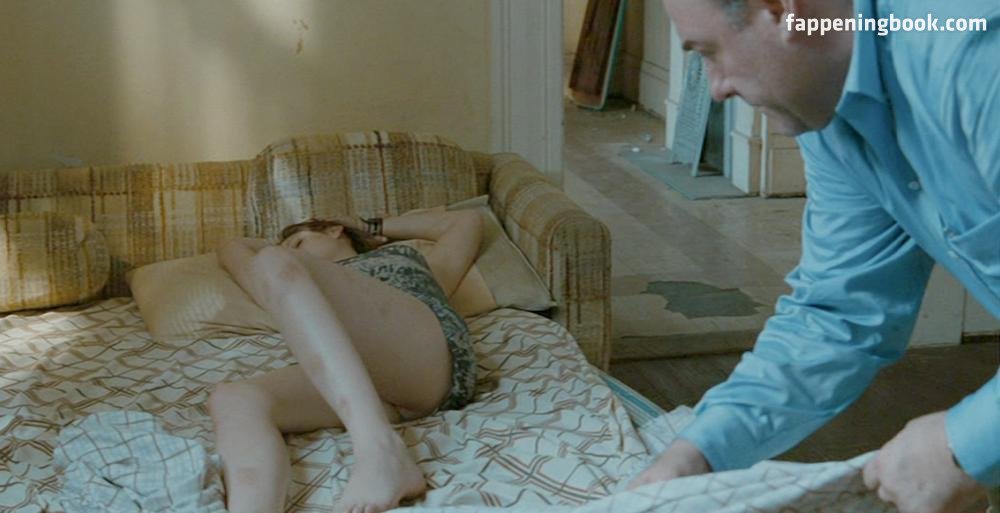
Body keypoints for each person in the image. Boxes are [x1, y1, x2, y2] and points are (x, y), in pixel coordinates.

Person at [630, 0, 998, 512]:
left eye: (711, 53)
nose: (716, 87)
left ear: (780, 9)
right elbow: (839, 314)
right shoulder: (829, 115)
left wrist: (962, 443)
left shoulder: (977, 57)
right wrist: (697, 454)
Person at [206, 208, 482, 513]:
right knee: (234, 397)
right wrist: (279, 253)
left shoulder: (408, 261)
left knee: (273, 261)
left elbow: (466, 219)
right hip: (362, 386)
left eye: (299, 242)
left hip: (425, 362)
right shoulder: (283, 276)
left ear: (334, 230)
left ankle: (380, 449)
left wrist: (366, 225)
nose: (294, 253)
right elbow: (231, 248)